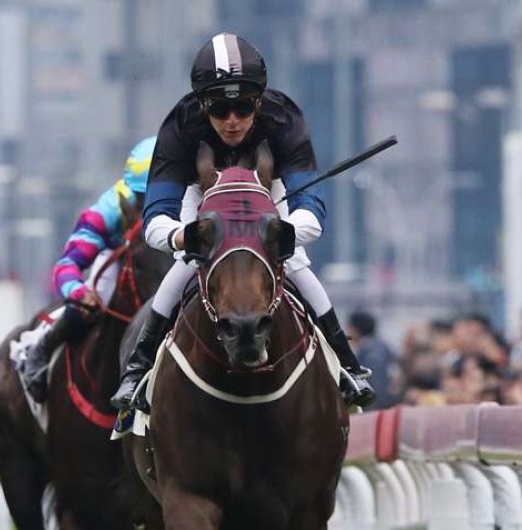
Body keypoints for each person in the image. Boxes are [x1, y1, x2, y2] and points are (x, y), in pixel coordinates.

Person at [110, 33, 375, 413]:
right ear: (202, 105)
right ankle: (137, 371)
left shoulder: (283, 119)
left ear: (259, 100)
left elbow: (311, 209)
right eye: (218, 109)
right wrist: (183, 236)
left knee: (296, 264)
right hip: (200, 198)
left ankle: (347, 366)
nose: (232, 121)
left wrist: (283, 232)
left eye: (244, 108)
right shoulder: (180, 126)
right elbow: (156, 219)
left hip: (268, 196)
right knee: (186, 267)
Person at [19, 136, 156, 403]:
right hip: (120, 258)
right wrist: (80, 292)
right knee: (96, 301)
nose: (144, 209)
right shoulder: (107, 211)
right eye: (139, 199)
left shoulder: (189, 203)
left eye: (152, 198)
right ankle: (42, 348)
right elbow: (66, 266)